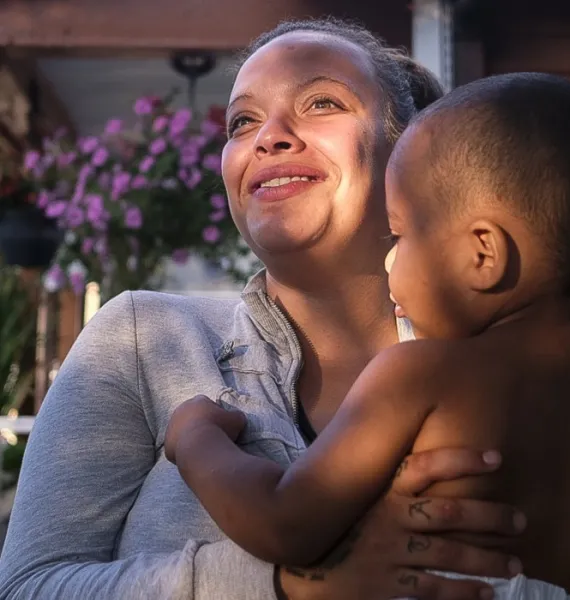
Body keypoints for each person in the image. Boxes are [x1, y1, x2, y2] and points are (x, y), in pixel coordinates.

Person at [0, 19, 527, 600]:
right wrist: (283, 584)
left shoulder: (508, 372)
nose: (268, 136)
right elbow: (29, 586)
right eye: (242, 121)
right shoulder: (139, 337)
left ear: (407, 151)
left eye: (322, 102)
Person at [165, 72, 570, 599]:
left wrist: (194, 441)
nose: (390, 259)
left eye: (401, 234)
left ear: (483, 255)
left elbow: (286, 522)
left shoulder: (421, 372)